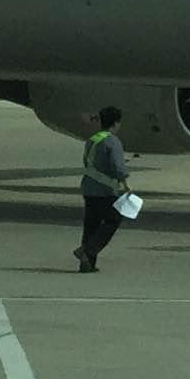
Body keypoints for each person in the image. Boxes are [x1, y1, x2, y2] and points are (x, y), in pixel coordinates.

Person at [77, 106, 131, 271]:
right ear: (116, 123)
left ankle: (87, 263)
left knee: (91, 225)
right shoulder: (112, 141)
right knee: (113, 219)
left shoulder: (93, 139)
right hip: (104, 190)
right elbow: (118, 168)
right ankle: (86, 251)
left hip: (88, 187)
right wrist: (126, 185)